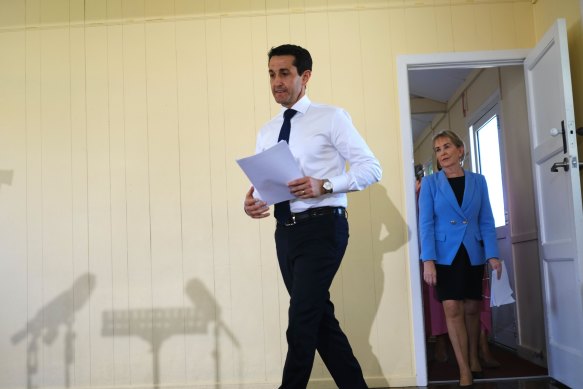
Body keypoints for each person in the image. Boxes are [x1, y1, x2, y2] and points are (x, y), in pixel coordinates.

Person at [243, 44, 381, 389]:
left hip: (323, 227)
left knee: (301, 320)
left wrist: (327, 184)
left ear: (304, 77)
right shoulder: (267, 130)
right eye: (272, 74)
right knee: (319, 320)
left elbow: (371, 168)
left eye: (284, 73)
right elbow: (266, 183)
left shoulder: (331, 117)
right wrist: (253, 202)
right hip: (285, 232)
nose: (277, 81)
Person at [418, 130, 502, 387]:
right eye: (437, 149)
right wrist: (428, 260)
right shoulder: (431, 184)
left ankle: (474, 357)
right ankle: (464, 370)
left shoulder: (479, 181)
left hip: (473, 252)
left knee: (472, 308)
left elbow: (486, 220)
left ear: (460, 150)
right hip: (444, 255)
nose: (442, 153)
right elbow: (426, 223)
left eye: (446, 147)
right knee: (452, 308)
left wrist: (493, 254)